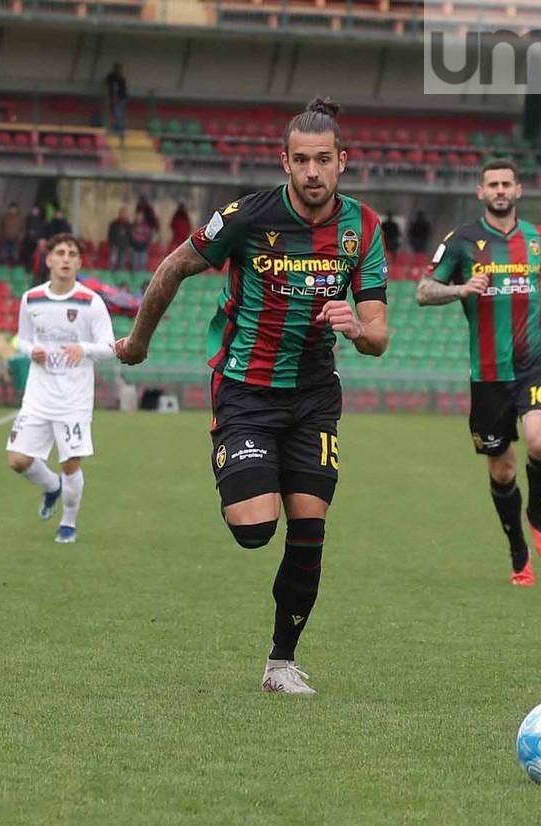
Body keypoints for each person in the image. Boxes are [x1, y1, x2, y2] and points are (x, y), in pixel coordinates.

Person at [116, 97, 390, 696]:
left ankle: (280, 663)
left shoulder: (365, 229)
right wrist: (138, 343)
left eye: (324, 159)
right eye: (301, 160)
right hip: (246, 390)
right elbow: (172, 268)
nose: (312, 171)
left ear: (343, 161)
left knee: (310, 530)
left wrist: (358, 327)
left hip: (316, 396)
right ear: (284, 162)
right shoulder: (244, 217)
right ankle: (236, 466)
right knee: (253, 530)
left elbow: (378, 336)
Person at [416, 157, 541, 587]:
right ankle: (519, 553)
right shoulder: (461, 241)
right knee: (501, 470)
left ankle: (537, 513)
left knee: (539, 441)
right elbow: (423, 291)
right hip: (488, 373)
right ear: (481, 193)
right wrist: (460, 289)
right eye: (492, 185)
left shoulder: (539, 238)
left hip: (537, 360)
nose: (500, 191)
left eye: (507, 184)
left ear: (519, 191)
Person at [7, 233, 116, 544]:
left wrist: (84, 348)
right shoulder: (31, 299)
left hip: (74, 398)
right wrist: (32, 351)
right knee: (18, 460)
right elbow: (23, 339)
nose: (66, 258)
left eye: (72, 254)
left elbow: (110, 347)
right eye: (60, 253)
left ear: (79, 262)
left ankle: (68, 523)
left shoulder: (91, 302)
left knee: (70, 462)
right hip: (38, 395)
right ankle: (51, 487)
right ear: (49, 260)